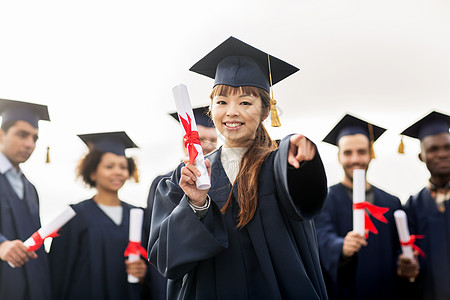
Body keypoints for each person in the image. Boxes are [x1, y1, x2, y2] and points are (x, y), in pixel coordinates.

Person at [148, 36, 328, 299]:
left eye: (245, 102)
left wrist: (296, 148)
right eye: (221, 102)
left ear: (266, 110)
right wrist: (197, 205)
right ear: (211, 109)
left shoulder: (278, 164)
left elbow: (303, 190)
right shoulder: (186, 176)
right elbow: (167, 261)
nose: (231, 111)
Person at [315, 114, 418, 300]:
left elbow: (398, 249)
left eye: (361, 152)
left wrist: (404, 263)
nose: (355, 159)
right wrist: (341, 247)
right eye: (348, 153)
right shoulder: (324, 200)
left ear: (371, 153)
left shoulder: (391, 202)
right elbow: (322, 240)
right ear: (338, 156)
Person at [48, 131, 148, 300]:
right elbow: (59, 271)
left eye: (123, 167)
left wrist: (144, 273)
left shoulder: (138, 216)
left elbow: (155, 268)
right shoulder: (75, 216)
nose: (118, 172)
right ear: (93, 172)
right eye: (109, 167)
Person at [145, 106, 218, 300]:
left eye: (213, 140)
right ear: (186, 142)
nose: (208, 146)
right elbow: (157, 239)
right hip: (178, 275)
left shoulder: (222, 179)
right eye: (201, 139)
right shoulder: (166, 183)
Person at [0, 99, 51, 300]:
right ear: (1, 133)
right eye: (22, 135)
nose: (30, 144)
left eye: (35, 138)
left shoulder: (30, 189)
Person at [401, 111, 450, 300]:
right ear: (421, 156)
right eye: (433, 149)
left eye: (447, 147)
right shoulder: (412, 207)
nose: (442, 154)